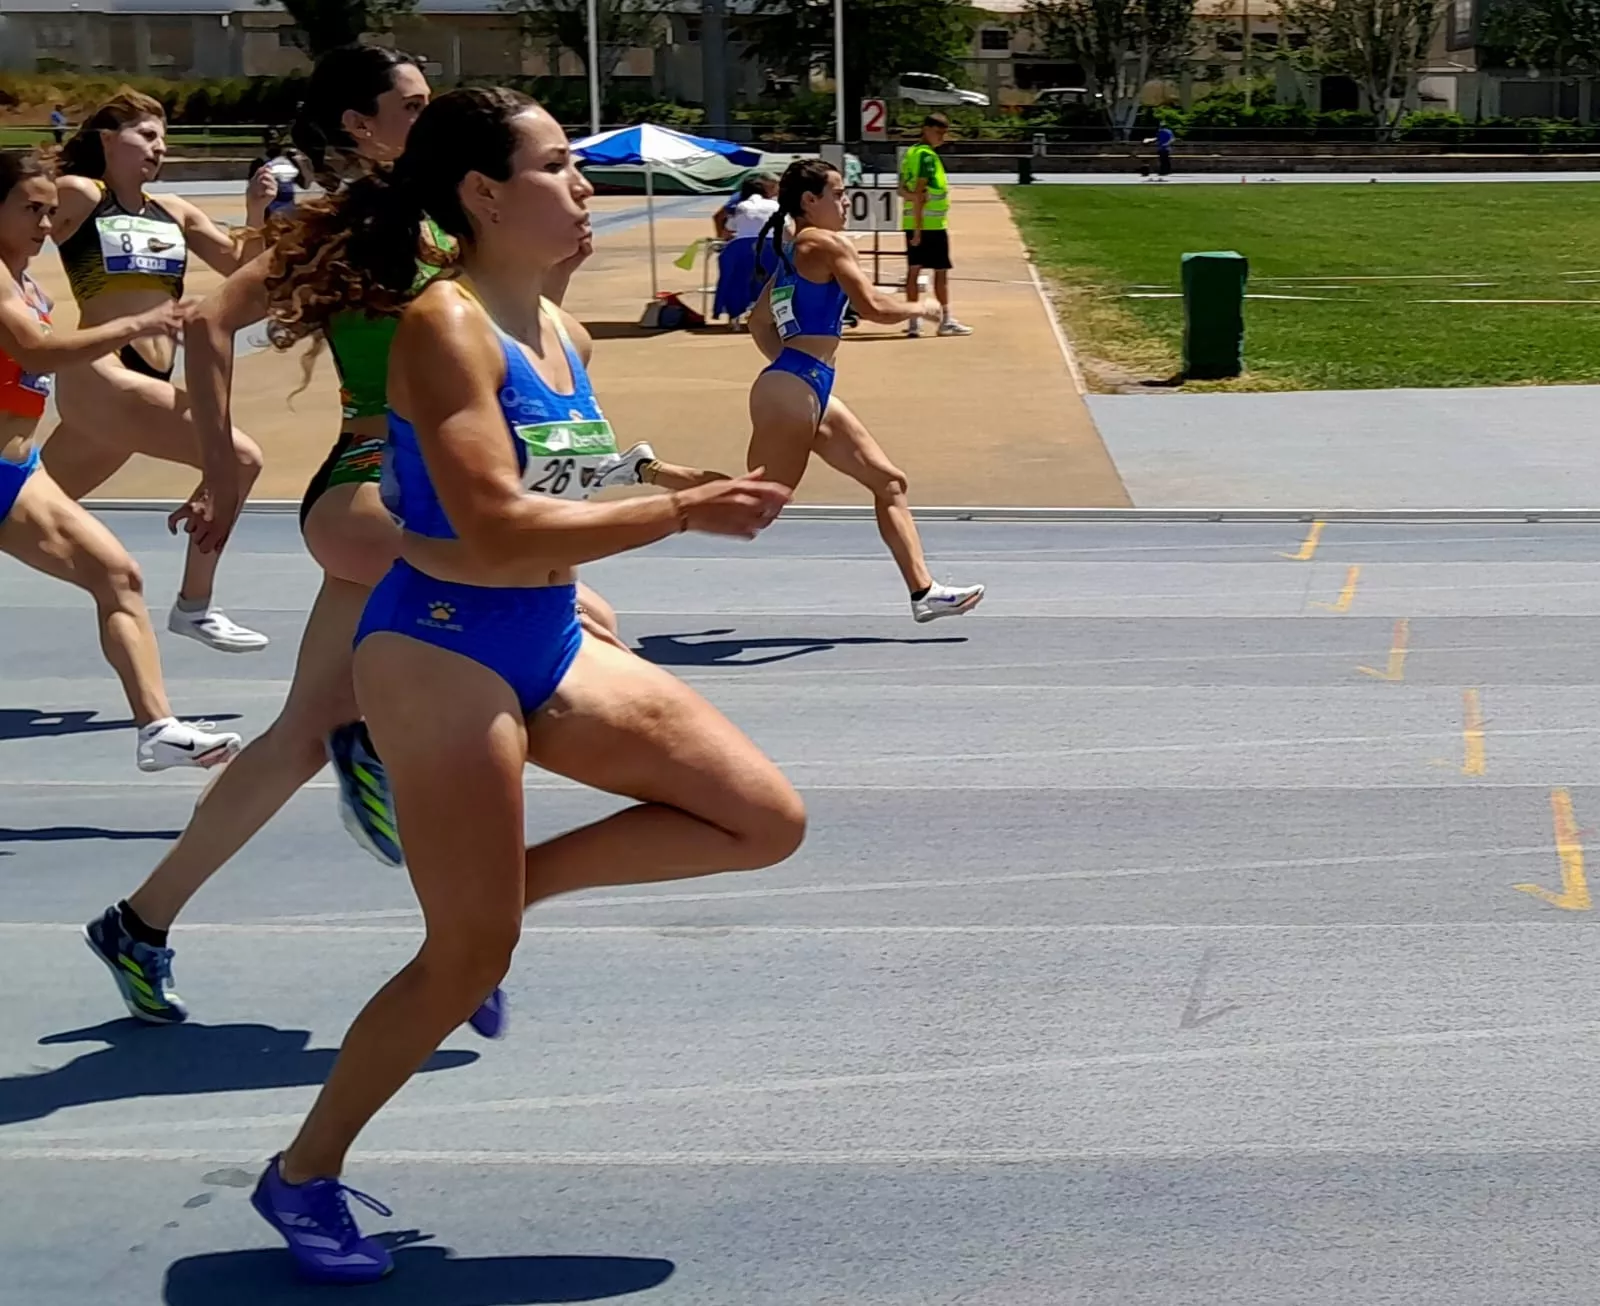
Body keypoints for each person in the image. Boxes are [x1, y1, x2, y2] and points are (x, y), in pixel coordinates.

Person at [244, 86, 805, 1284]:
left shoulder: (561, 327)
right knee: (457, 959)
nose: (586, 187)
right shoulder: (439, 326)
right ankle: (301, 1176)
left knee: (762, 819)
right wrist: (685, 511)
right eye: (561, 167)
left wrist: (670, 469)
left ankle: (499, 912)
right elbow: (493, 524)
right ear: (486, 193)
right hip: (441, 646)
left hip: (544, 632)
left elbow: (573, 461)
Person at [84, 45, 700, 1032]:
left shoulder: (474, 224)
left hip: (435, 504)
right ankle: (425, 839)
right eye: (412, 105)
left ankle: (139, 920)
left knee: (296, 737)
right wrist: (214, 462)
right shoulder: (350, 221)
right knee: (567, 620)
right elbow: (208, 322)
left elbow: (528, 392)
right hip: (374, 490)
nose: (433, 114)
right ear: (361, 127)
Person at [0, 149, 241, 775]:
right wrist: (139, 322)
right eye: (30, 209)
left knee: (119, 577)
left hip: (18, 476)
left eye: (51, 212)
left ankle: (157, 728)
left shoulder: (25, 282)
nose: (47, 226)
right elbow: (39, 352)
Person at [36, 88, 278, 654]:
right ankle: (196, 605)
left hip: (149, 381)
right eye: (145, 135)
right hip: (100, 374)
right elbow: (16, 225)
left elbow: (243, 273)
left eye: (163, 138)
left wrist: (255, 215)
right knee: (238, 458)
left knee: (21, 509)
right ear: (106, 141)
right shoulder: (80, 195)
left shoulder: (176, 212)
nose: (158, 148)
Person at [748, 157, 984, 623]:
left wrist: (788, 367)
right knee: (756, 505)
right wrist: (924, 306)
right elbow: (872, 306)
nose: (846, 201)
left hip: (804, 382)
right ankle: (646, 469)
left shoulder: (794, 250)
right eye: (837, 194)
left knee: (889, 482)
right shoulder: (825, 244)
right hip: (797, 386)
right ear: (809, 201)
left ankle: (924, 592)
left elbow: (758, 322)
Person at [899, 113, 972, 338]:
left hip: (912, 221)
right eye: (939, 132)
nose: (942, 137)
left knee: (913, 270)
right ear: (926, 129)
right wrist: (920, 230)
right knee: (940, 272)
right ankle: (945, 320)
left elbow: (902, 190)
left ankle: (913, 322)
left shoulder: (910, 153)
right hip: (930, 225)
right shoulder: (927, 158)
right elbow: (920, 194)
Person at [712, 173, 779, 326]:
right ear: (766, 187)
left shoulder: (741, 202)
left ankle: (734, 313)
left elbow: (726, 223)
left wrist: (724, 239)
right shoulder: (740, 199)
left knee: (735, 277)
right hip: (768, 247)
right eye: (775, 185)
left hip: (741, 246)